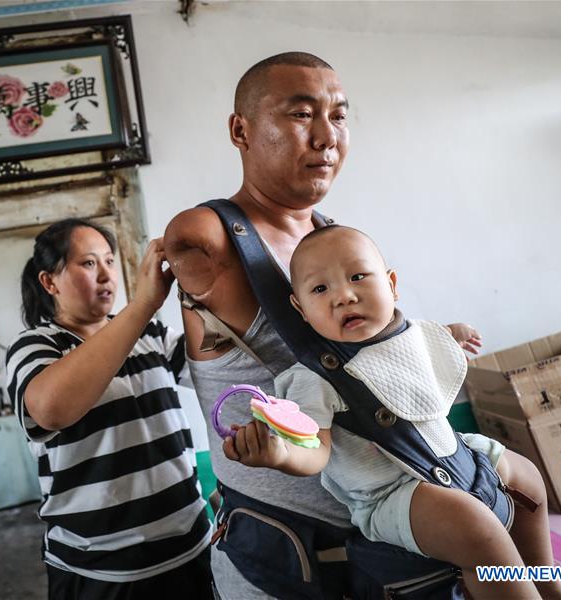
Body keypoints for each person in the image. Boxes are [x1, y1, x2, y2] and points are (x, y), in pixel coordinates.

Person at [164, 52, 485, 599]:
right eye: (300, 114)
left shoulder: (329, 237)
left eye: (338, 116)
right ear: (241, 130)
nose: (325, 136)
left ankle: (553, 583)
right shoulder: (212, 237)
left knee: (517, 498)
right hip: (288, 558)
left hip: (387, 549)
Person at [225, 225, 561, 599]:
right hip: (391, 494)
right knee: (477, 529)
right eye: (320, 289)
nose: (344, 296)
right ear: (301, 309)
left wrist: (449, 335)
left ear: (391, 284)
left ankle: (547, 581)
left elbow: (411, 352)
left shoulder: (409, 333)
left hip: (454, 453)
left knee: (528, 478)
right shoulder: (314, 377)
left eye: (358, 276)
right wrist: (282, 453)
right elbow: (316, 449)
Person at [5, 218, 213, 600]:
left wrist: (203, 286)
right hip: (99, 573)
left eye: (109, 261)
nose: (105, 275)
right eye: (88, 264)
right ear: (49, 282)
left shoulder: (149, 335)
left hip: (190, 550)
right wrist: (144, 303)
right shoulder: (35, 346)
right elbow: (51, 409)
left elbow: (215, 367)